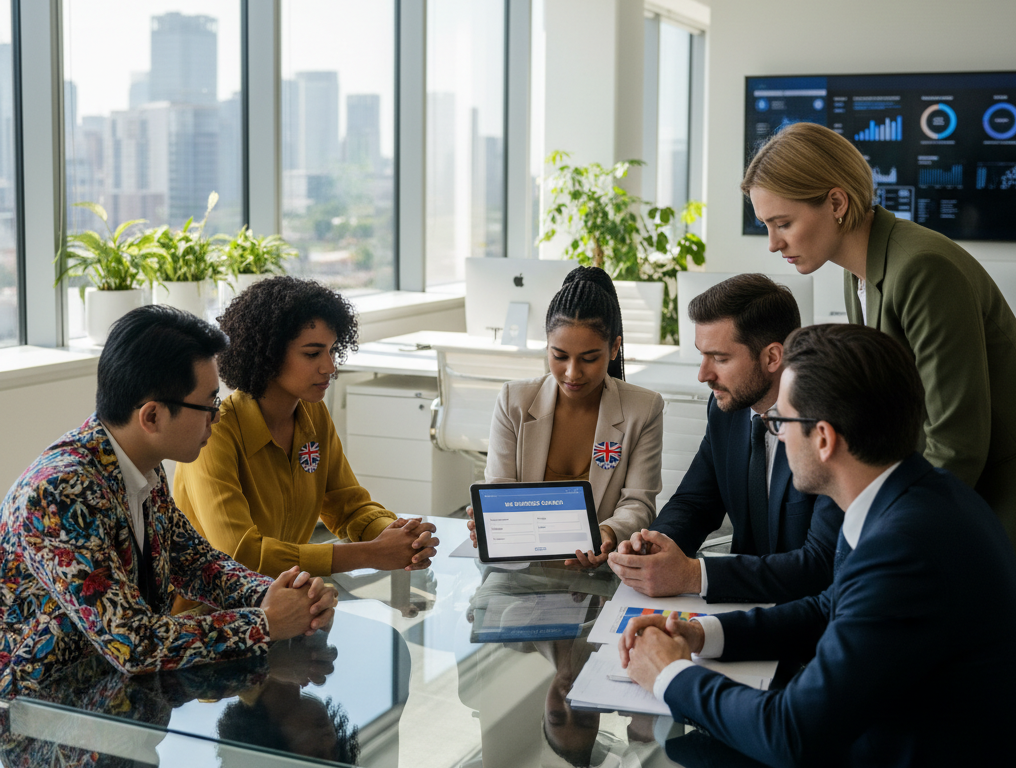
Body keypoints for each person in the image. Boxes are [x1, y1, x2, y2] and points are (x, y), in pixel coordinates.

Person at [619, 324, 1016, 768]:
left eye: (781, 422)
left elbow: (793, 734)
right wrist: (700, 634)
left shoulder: (905, 545)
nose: (777, 435)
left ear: (826, 438)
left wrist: (668, 674)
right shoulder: (915, 495)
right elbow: (832, 605)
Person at [0, 305, 335, 696]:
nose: (217, 417)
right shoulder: (58, 493)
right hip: (44, 720)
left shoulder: (142, 463)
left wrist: (279, 596)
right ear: (152, 417)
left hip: (124, 705)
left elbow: (195, 562)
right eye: (209, 405)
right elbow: (132, 642)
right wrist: (265, 623)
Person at [743, 120, 1016, 566]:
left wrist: (889, 535)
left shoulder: (922, 268)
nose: (774, 244)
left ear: (836, 201)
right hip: (942, 492)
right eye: (767, 226)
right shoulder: (859, 271)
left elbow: (958, 441)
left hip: (996, 497)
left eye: (783, 224)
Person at [174, 276, 437, 579]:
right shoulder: (216, 431)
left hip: (285, 597)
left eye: (332, 350)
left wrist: (399, 535)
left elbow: (348, 507)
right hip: (205, 611)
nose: (330, 367)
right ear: (267, 355)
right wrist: (371, 553)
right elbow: (241, 553)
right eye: (312, 354)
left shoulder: (314, 413)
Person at [608, 274, 842, 603]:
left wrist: (693, 575)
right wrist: (655, 546)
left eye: (720, 359)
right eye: (702, 355)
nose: (703, 375)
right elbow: (695, 502)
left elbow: (820, 565)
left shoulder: (824, 428)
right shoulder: (726, 410)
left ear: (773, 357)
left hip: (807, 619)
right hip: (741, 604)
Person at [468, 266, 664, 566]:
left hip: (601, 570)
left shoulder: (644, 408)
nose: (572, 373)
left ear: (614, 348)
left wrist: (607, 533)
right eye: (559, 356)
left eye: (589, 358)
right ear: (547, 346)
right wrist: (492, 524)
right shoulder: (514, 402)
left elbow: (638, 503)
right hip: (522, 569)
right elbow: (499, 491)